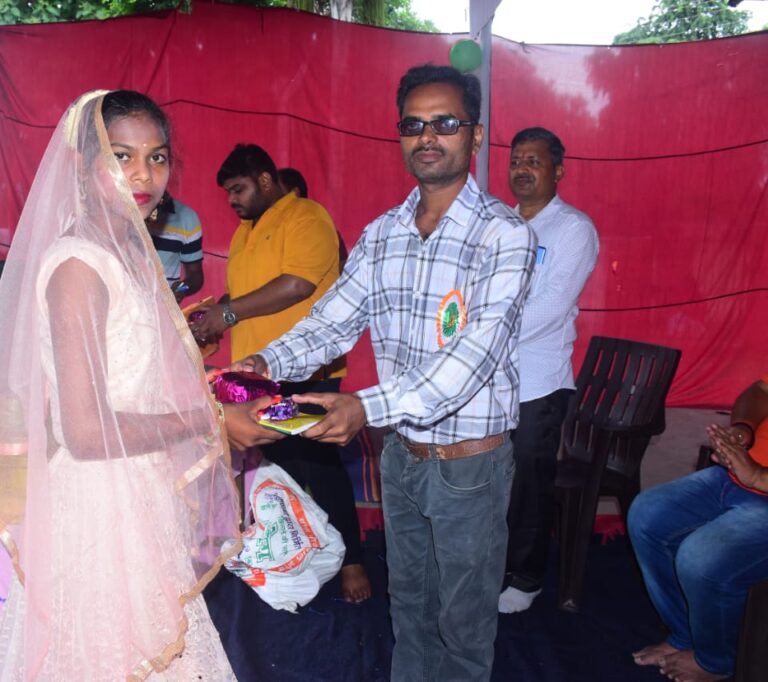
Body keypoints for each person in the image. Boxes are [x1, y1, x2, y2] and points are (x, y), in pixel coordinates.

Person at [234, 64, 536, 681]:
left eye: (445, 123)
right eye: (413, 125)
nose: (428, 137)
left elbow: (473, 359)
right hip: (401, 455)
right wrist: (266, 362)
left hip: (470, 466)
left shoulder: (504, 235)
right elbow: (331, 323)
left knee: (463, 624)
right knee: (409, 608)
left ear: (475, 136)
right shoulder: (382, 235)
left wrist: (365, 407)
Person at [0, 90, 249, 680]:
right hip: (100, 506)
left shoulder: (128, 252)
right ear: (84, 165)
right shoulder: (79, 266)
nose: (143, 174)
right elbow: (86, 432)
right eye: (121, 156)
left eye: (157, 157)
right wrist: (206, 421)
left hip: (138, 485)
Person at [191, 143, 371, 603]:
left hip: (306, 371)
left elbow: (297, 285)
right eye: (228, 192)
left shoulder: (307, 217)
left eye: (239, 189)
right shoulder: (244, 233)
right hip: (254, 375)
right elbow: (240, 297)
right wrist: (210, 319)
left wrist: (228, 314)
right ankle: (285, 557)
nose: (232, 200)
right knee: (266, 467)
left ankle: (352, 560)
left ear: (266, 181)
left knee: (318, 464)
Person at [499, 127, 599, 614]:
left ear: (558, 171)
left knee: (528, 481)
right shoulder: (500, 223)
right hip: (491, 380)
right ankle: (493, 563)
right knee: (492, 477)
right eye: (516, 160)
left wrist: (484, 338)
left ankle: (527, 576)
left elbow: (551, 307)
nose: (522, 169)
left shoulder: (573, 229)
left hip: (538, 383)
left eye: (534, 161)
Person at [630, 376, 768, 682]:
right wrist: (743, 430)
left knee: (701, 558)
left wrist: (759, 476)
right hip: (739, 476)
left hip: (759, 482)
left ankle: (718, 660)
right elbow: (761, 390)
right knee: (648, 515)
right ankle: (686, 634)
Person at [279, 166, 348, 267]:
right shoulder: (272, 229)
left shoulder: (319, 229)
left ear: (294, 193)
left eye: (278, 192)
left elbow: (343, 269)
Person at [145, 191, 205, 301]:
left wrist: (181, 289)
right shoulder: (119, 210)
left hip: (163, 309)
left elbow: (195, 275)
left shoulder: (186, 217)